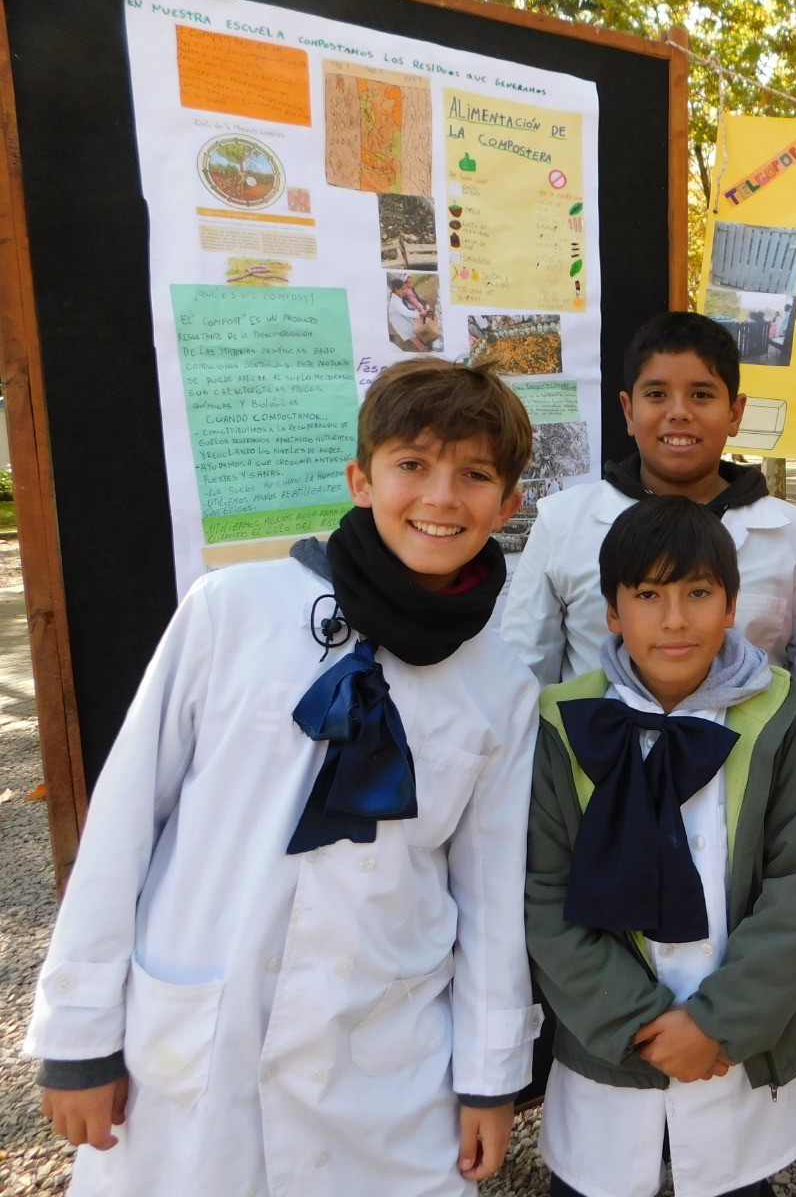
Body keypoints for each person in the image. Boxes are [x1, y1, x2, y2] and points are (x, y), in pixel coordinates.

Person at [26, 358, 542, 1195]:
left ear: (508, 505)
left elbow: (489, 895)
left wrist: (490, 1076)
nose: (442, 497)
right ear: (361, 480)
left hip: (382, 1064)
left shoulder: (500, 687)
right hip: (200, 1038)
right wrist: (81, 1037)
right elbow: (124, 823)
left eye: (475, 476)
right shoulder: (230, 611)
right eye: (412, 464)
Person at [526, 495, 796, 1197]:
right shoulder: (564, 726)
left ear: (731, 606)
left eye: (698, 593)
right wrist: (636, 1019)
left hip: (736, 1052)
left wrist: (718, 1022)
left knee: (734, 1183)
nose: (674, 619)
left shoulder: (776, 722)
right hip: (611, 1056)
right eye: (647, 595)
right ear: (612, 612)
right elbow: (543, 894)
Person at [502, 311, 796, 692]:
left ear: (735, 413)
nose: (679, 412)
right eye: (657, 394)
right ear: (628, 410)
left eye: (701, 395)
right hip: (590, 733)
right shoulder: (562, 522)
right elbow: (523, 676)